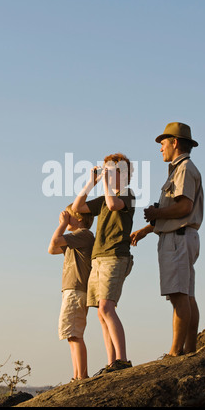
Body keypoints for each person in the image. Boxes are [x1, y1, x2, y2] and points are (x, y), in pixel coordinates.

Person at [131, 122, 203, 357]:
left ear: (174, 143)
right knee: (186, 295)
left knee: (178, 295)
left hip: (178, 239)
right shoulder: (181, 169)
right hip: (183, 236)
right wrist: (147, 228)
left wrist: (156, 213)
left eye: (163, 143)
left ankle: (175, 352)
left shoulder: (183, 169)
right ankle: (189, 349)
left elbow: (184, 206)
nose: (160, 149)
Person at [72, 153, 135, 374]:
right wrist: (92, 182)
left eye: (114, 170)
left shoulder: (128, 195)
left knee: (108, 307)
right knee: (100, 312)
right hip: (98, 257)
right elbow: (78, 207)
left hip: (115, 256)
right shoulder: (106, 198)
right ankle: (112, 362)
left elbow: (112, 203)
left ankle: (123, 359)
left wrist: (107, 183)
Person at [48, 204, 94, 381]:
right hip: (71, 290)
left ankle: (81, 376)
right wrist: (65, 223)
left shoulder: (83, 235)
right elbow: (52, 250)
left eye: (70, 215)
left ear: (80, 219)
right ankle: (77, 375)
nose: (65, 217)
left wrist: (62, 224)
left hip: (76, 290)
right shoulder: (75, 239)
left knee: (74, 333)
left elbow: (55, 242)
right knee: (71, 334)